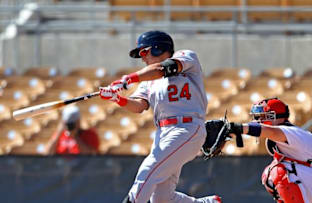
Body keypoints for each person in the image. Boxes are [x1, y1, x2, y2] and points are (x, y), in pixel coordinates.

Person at [99, 30, 221, 203]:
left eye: (144, 52)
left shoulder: (186, 58)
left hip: (187, 128)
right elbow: (139, 106)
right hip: (163, 133)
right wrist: (117, 99)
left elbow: (162, 68)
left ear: (157, 48)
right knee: (162, 198)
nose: (142, 58)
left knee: (147, 172)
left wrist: (127, 79)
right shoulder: (149, 80)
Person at [227, 97, 312, 203]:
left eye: (263, 116)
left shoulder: (291, 131)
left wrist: (239, 128)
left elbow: (272, 132)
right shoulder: (280, 136)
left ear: (277, 116)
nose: (259, 121)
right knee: (270, 172)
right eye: (258, 117)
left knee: (277, 171)